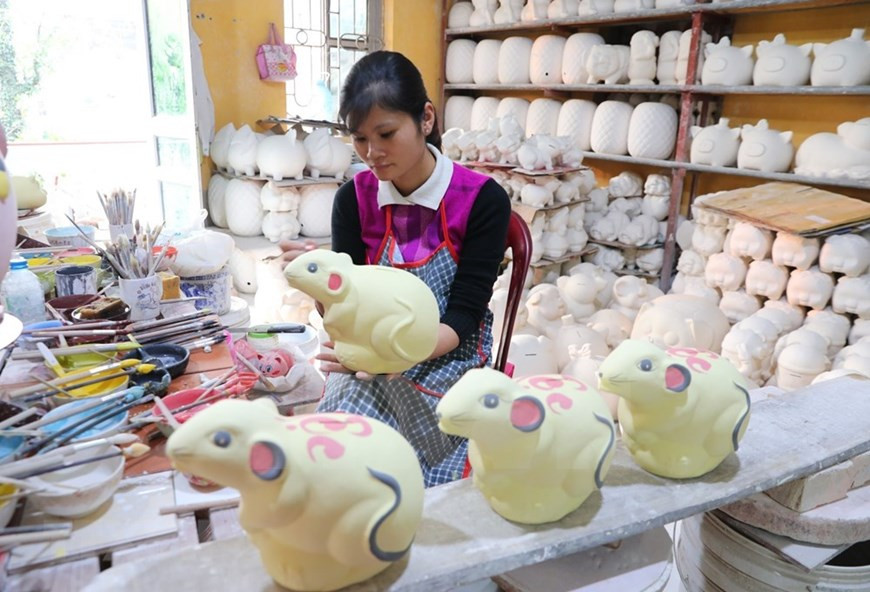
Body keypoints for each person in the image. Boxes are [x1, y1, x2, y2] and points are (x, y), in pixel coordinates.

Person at [280, 50, 511, 487]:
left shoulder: (482, 200)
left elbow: (464, 314)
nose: (372, 153)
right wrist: (322, 284)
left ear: (426, 118)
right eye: (359, 139)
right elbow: (345, 307)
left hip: (448, 353)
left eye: (386, 133)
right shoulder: (353, 199)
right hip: (374, 350)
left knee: (400, 452)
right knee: (343, 426)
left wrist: (398, 355)